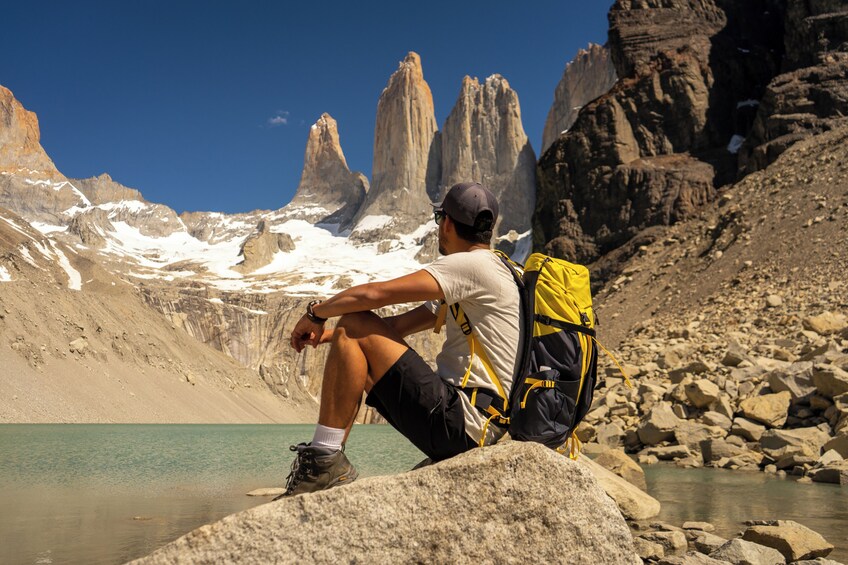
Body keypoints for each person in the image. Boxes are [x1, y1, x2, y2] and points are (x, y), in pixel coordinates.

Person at [278, 182, 521, 497]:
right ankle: (329, 460)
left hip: (462, 425)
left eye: (438, 220)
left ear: (446, 223)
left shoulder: (469, 266)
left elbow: (373, 295)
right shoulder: (502, 269)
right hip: (482, 423)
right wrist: (329, 336)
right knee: (351, 329)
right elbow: (396, 326)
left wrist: (315, 313)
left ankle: (324, 460)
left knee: (352, 321)